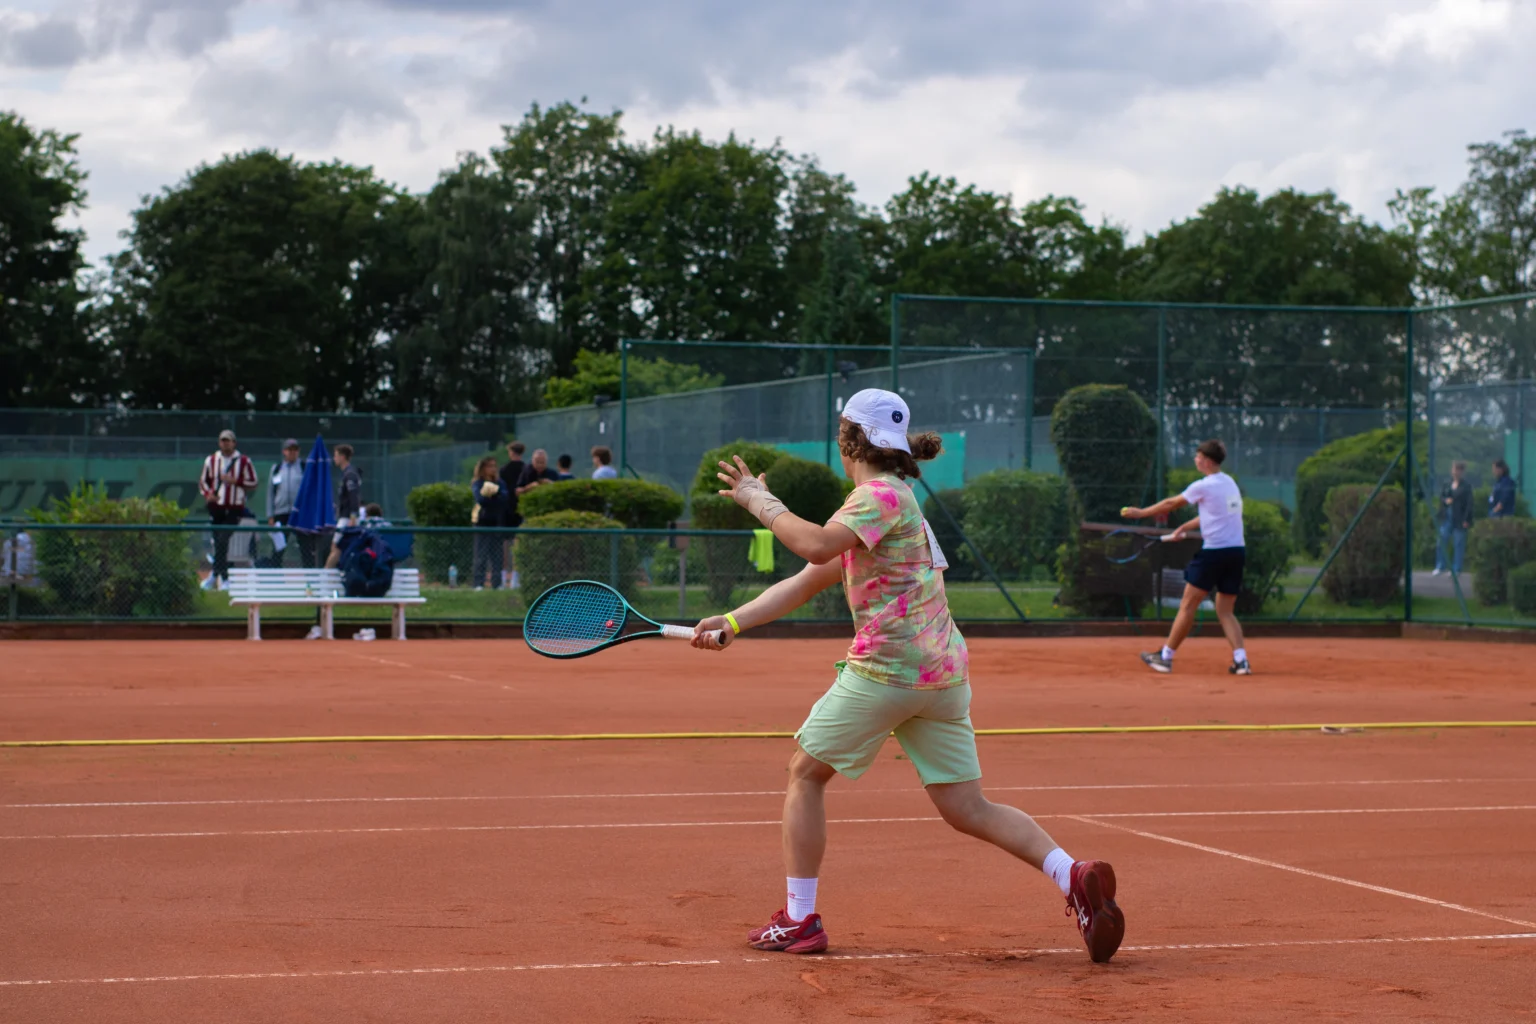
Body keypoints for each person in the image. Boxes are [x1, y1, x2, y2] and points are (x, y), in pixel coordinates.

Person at [690, 388, 1125, 964]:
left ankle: (799, 919)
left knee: (804, 774)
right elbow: (807, 579)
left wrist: (757, 500)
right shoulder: (896, 502)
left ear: (849, 439)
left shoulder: (877, 497)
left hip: (888, 671)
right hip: (941, 676)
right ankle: (1073, 873)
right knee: (966, 807)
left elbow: (814, 546)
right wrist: (734, 622)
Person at [1123, 439, 1249, 676]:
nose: (1195, 459)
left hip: (1214, 553)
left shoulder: (1204, 485)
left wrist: (1141, 513)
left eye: (1198, 456)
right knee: (1225, 610)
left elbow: (1172, 503)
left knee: (1188, 605)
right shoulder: (1229, 483)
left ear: (1208, 461)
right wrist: (1184, 527)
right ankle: (1241, 661)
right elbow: (1218, 516)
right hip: (1236, 552)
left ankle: (1165, 657)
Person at [199, 429, 258, 591]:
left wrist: (236, 481)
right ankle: (219, 577)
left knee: (223, 540)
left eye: (228, 440)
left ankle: (220, 576)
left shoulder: (244, 461)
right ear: (219, 443)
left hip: (234, 508)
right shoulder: (211, 460)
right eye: (223, 440)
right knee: (218, 541)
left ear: (234, 443)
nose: (226, 443)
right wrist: (208, 494)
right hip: (216, 507)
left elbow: (253, 483)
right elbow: (203, 482)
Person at [266, 439, 308, 568]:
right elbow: (270, 493)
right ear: (284, 451)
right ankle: (275, 578)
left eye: (295, 449)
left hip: (300, 514)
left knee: (305, 547)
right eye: (289, 450)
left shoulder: (304, 467)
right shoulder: (277, 468)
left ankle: (309, 578)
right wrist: (271, 515)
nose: (292, 452)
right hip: (281, 513)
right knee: (279, 547)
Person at [471, 457, 509, 590]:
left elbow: (504, 498)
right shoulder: (478, 483)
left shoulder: (500, 483)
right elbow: (481, 499)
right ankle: (478, 583)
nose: (492, 469)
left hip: (497, 523)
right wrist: (492, 496)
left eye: (494, 466)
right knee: (481, 555)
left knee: (497, 556)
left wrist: (494, 492)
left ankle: (497, 583)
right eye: (489, 466)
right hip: (482, 523)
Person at [1435, 460, 1473, 576]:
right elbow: (1442, 497)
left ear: (1462, 472)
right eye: (1454, 469)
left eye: (1458, 470)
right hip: (1447, 516)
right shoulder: (1447, 484)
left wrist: (1467, 519)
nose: (1456, 472)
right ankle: (1440, 566)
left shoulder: (1466, 487)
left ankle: (1456, 569)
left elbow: (1469, 504)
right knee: (1441, 540)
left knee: (1458, 543)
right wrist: (1445, 501)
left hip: (1460, 518)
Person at [499, 442, 528, 589]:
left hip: (506, 510)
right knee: (518, 543)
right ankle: (516, 578)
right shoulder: (526, 469)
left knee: (505, 544)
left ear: (511, 452)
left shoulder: (503, 470)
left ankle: (504, 578)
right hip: (521, 510)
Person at [333, 444, 362, 528]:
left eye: (336, 456)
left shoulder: (350, 474)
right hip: (344, 516)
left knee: (335, 541)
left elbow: (354, 496)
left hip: (347, 518)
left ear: (342, 457)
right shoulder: (345, 473)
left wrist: (353, 517)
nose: (334, 458)